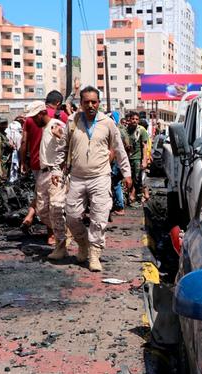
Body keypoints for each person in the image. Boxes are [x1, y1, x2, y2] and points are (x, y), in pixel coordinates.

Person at [61, 86, 131, 272]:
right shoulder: (73, 121)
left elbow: (119, 149)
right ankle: (83, 244)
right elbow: (63, 147)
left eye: (94, 102)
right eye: (86, 102)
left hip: (100, 177)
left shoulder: (107, 123)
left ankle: (94, 254)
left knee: (99, 218)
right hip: (77, 177)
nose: (90, 105)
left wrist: (127, 173)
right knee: (72, 216)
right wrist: (55, 171)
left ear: (99, 103)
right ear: (81, 103)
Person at [23, 100, 69, 260]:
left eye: (34, 117)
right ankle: (63, 230)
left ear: (42, 113)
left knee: (56, 208)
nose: (33, 121)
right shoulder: (45, 128)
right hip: (44, 173)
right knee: (42, 211)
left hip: (54, 173)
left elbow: (66, 146)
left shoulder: (56, 125)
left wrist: (60, 137)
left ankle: (61, 245)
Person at [125, 112, 150, 203]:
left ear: (138, 120)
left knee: (137, 177)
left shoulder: (141, 130)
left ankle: (133, 195)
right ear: (130, 120)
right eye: (133, 119)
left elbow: (145, 146)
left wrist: (144, 160)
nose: (134, 121)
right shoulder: (127, 130)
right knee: (130, 177)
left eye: (136, 119)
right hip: (128, 157)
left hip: (138, 158)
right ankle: (143, 194)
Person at [5, 116, 24, 183]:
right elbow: (20, 148)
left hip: (7, 157)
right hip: (14, 156)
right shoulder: (18, 132)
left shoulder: (7, 130)